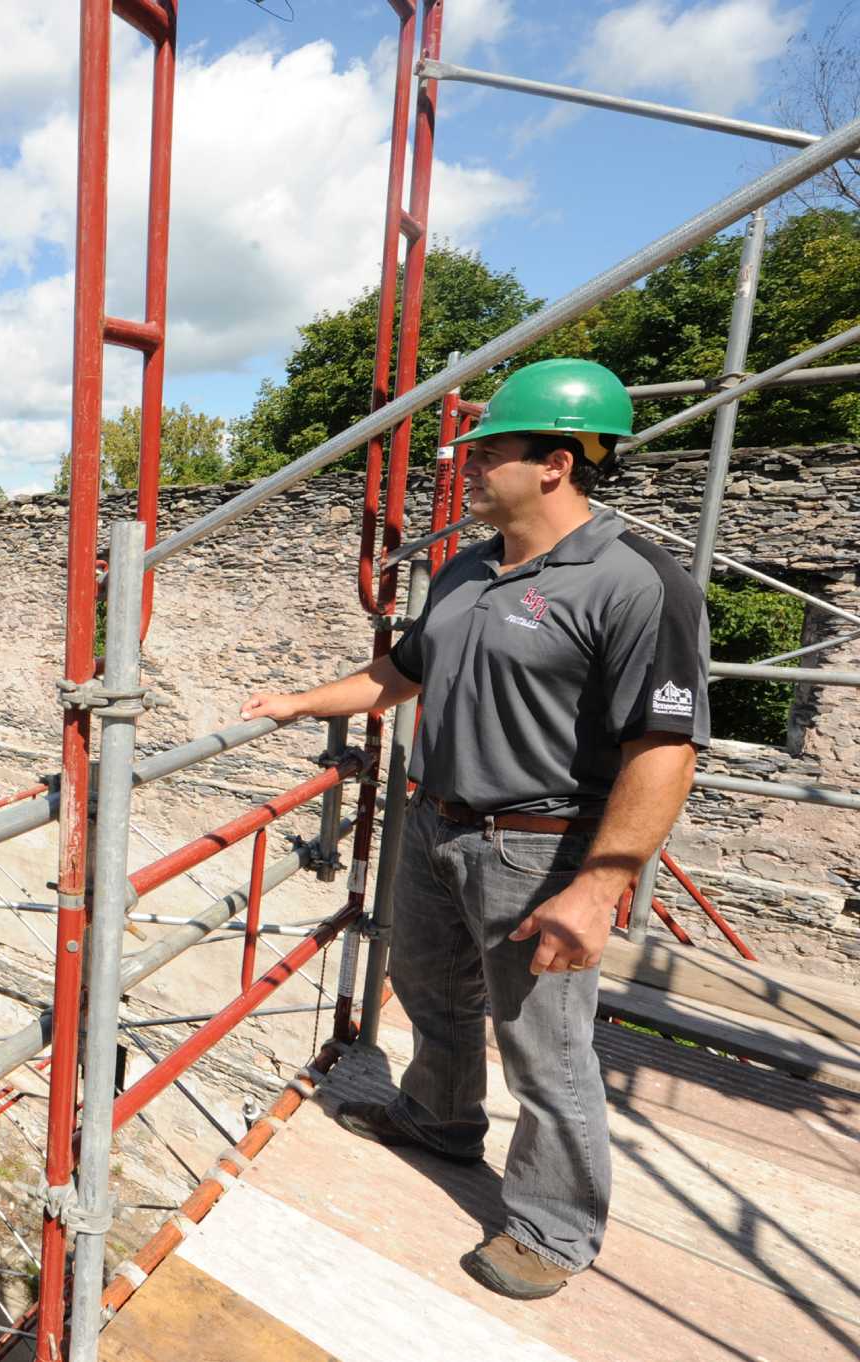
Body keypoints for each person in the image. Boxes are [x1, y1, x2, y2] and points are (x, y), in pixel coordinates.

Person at [240, 358, 708, 1301]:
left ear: (557, 462)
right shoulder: (469, 569)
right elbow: (397, 677)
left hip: (541, 846)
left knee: (544, 1043)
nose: (470, 468)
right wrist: (296, 703)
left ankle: (555, 1226)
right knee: (424, 985)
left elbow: (665, 748)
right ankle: (441, 1119)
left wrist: (598, 884)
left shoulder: (636, 583)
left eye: (488, 452)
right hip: (437, 822)